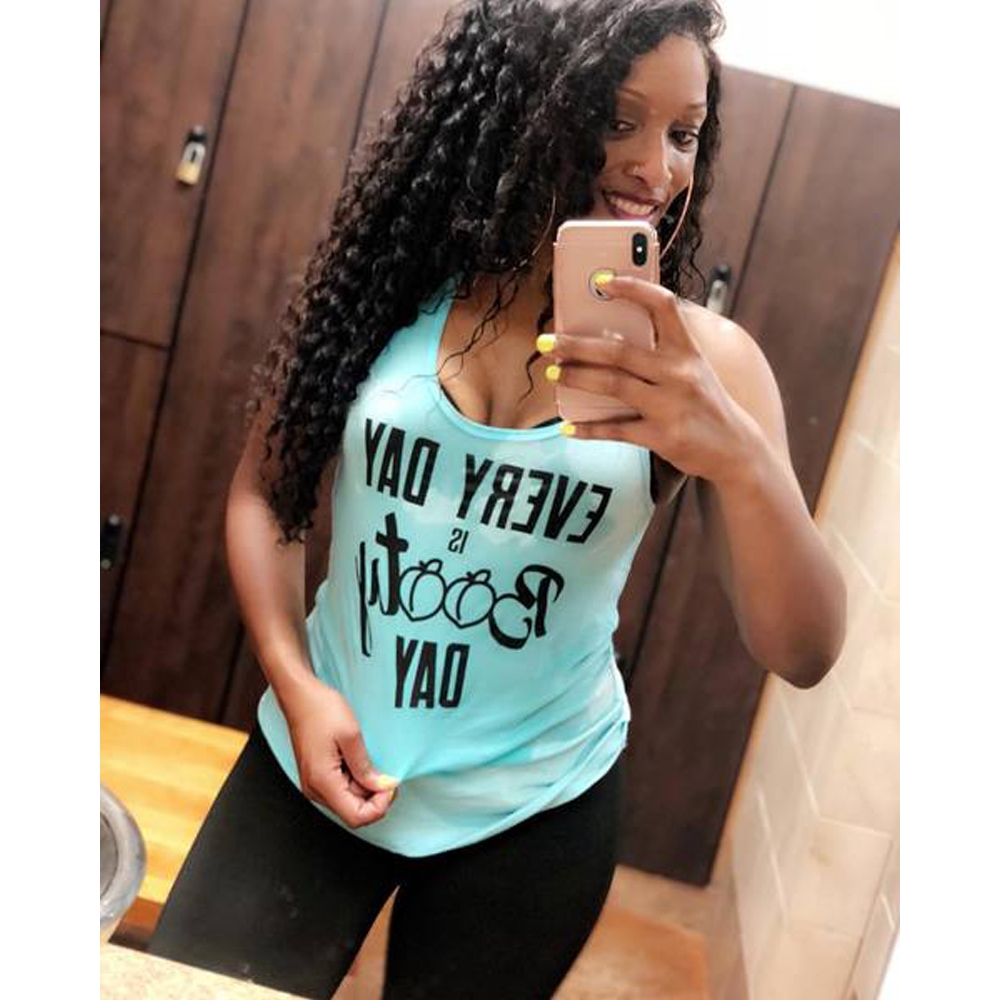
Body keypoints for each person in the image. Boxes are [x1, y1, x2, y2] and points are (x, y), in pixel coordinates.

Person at [146, 1, 847, 997]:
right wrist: (294, 682)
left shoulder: (707, 364)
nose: (655, 169)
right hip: (317, 748)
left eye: (684, 133)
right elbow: (266, 495)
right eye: (617, 119)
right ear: (527, 105)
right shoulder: (388, 285)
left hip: (536, 810)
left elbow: (804, 650)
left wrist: (738, 457)